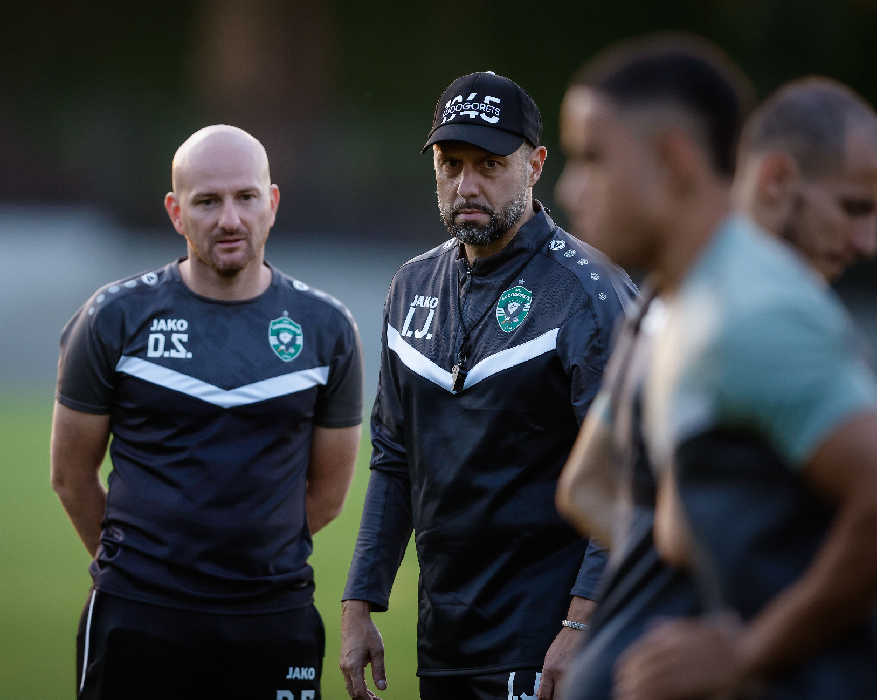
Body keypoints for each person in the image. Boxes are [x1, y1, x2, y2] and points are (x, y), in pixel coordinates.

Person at [554, 35, 877, 700]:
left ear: (671, 161)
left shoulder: (751, 312)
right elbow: (668, 531)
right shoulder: (672, 309)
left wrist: (748, 652)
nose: (570, 187)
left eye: (592, 158)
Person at [339, 71, 637, 700]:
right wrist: (360, 601)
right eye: (451, 165)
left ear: (536, 165)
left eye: (490, 165)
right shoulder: (411, 288)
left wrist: (581, 624)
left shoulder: (589, 294)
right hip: (442, 643)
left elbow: (628, 476)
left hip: (547, 643)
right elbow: (392, 458)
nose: (466, 185)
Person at [50, 124, 363, 699]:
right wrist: (141, 570)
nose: (230, 219)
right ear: (176, 212)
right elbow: (71, 476)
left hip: (272, 618)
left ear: (272, 203)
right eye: (207, 201)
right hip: (138, 617)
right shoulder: (113, 318)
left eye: (246, 197)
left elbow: (328, 494)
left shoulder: (327, 329)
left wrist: (245, 563)